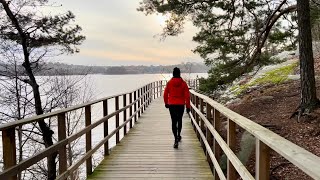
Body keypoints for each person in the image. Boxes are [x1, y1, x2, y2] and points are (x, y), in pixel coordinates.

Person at [163, 67, 190, 149]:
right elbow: (187, 96)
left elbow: (165, 94)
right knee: (179, 120)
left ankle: (175, 140)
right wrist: (188, 107)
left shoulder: (169, 83)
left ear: (173, 74)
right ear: (179, 73)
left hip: (172, 105)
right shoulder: (183, 83)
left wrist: (166, 103)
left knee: (174, 121)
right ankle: (178, 136)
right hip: (181, 105)